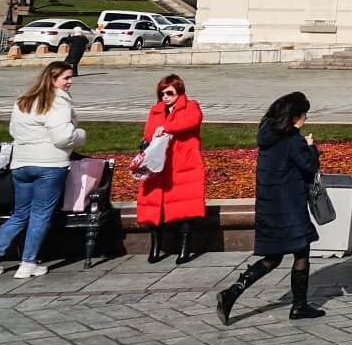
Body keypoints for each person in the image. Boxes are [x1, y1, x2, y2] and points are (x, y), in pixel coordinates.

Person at [216, 92, 325, 324]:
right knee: (301, 251)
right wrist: (311, 147)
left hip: (269, 206)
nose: (305, 118)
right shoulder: (293, 141)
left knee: (273, 256)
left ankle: (232, 292)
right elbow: (309, 168)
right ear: (296, 117)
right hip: (289, 207)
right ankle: (299, 306)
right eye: (304, 114)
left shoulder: (268, 134)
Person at [0, 61, 85, 281]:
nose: (70, 82)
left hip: (22, 164)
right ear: (53, 79)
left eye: (71, 77)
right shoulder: (58, 102)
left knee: (19, 215)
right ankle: (28, 263)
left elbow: (14, 130)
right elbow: (63, 137)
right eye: (66, 78)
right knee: (40, 214)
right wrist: (80, 135)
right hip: (49, 165)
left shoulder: (23, 101)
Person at [139, 74, 206, 265]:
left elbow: (192, 122)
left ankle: (185, 248)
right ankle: (155, 247)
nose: (165, 97)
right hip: (158, 166)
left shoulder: (190, 106)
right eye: (162, 94)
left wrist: (167, 127)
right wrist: (160, 128)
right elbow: (148, 133)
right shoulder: (156, 110)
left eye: (169, 93)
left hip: (183, 165)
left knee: (185, 209)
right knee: (155, 209)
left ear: (179, 92)